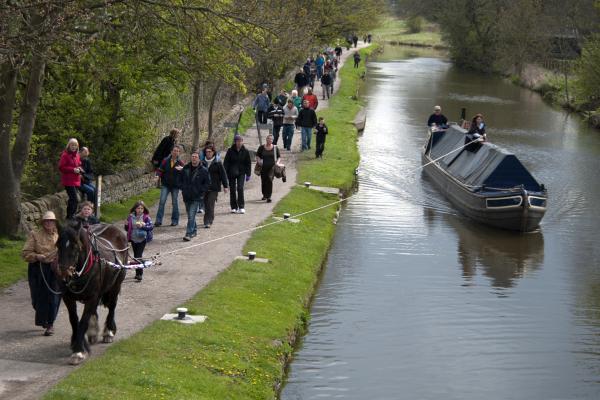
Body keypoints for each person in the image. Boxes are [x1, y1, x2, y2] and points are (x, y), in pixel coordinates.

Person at [22, 210, 60, 336]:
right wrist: (37, 256)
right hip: (37, 269)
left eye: (51, 221)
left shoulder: (59, 235)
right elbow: (25, 253)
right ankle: (43, 318)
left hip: (54, 269)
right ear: (43, 222)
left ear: (55, 223)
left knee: (53, 297)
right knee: (37, 299)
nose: (49, 223)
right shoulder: (35, 235)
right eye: (47, 221)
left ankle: (50, 324)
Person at [181, 151, 210, 241]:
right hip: (186, 195)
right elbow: (180, 179)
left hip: (197, 197)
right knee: (191, 215)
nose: (194, 158)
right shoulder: (185, 168)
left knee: (191, 215)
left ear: (199, 158)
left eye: (196, 157)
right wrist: (183, 188)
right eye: (192, 156)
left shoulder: (203, 170)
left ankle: (188, 234)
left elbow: (208, 183)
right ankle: (194, 230)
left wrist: (201, 191)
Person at [155, 145, 184, 227]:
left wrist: (182, 169)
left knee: (175, 203)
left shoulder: (180, 162)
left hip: (175, 186)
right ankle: (158, 220)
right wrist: (157, 176)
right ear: (171, 152)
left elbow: (185, 172)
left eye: (177, 151)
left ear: (179, 153)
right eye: (174, 151)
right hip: (165, 185)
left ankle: (175, 220)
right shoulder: (165, 160)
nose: (176, 152)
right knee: (162, 202)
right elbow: (160, 169)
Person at [125, 200, 154, 281]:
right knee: (136, 257)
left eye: (142, 208)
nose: (140, 210)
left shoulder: (146, 217)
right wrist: (126, 225)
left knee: (138, 256)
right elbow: (127, 229)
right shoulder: (130, 217)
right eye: (138, 208)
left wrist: (142, 226)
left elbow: (151, 227)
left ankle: (140, 274)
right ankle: (138, 271)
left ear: (144, 209)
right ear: (135, 209)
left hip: (142, 239)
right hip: (133, 239)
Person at [202, 145, 229, 228]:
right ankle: (209, 218)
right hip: (204, 187)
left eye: (210, 151)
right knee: (205, 204)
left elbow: (223, 175)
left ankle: (208, 221)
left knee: (210, 203)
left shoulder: (218, 163)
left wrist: (225, 186)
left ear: (213, 152)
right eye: (207, 152)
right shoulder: (202, 162)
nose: (208, 153)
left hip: (214, 187)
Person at [224, 135, 252, 214]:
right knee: (232, 189)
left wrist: (248, 174)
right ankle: (234, 207)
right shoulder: (230, 151)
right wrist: (225, 174)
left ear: (242, 142)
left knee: (240, 188)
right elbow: (226, 163)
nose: (239, 143)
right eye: (237, 141)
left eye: (240, 141)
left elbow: (248, 163)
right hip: (231, 172)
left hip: (241, 172)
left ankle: (241, 207)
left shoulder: (245, 151)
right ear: (235, 142)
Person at [58, 138, 82, 219]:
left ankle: (72, 216)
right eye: (72, 145)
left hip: (76, 180)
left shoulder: (77, 155)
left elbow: (79, 164)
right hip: (68, 180)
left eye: (75, 145)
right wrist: (73, 170)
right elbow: (61, 167)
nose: (74, 147)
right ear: (69, 145)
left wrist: (79, 169)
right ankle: (69, 217)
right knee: (74, 199)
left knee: (75, 199)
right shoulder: (65, 155)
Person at [256, 134, 281, 203]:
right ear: (266, 139)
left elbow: (279, 157)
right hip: (263, 168)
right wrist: (258, 161)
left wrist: (277, 163)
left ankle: (269, 196)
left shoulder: (275, 148)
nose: (269, 140)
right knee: (263, 181)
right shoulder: (261, 147)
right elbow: (258, 155)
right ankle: (264, 194)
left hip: (272, 168)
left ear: (272, 140)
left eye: (271, 139)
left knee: (269, 181)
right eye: (268, 138)